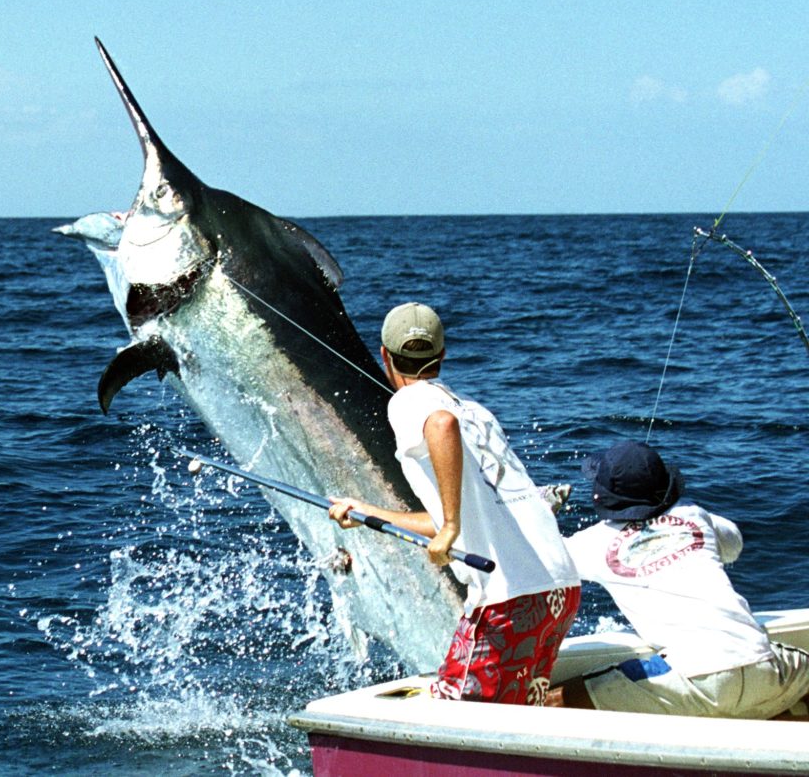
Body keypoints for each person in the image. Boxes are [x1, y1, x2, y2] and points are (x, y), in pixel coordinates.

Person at [328, 302, 580, 705]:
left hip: (508, 596)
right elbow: (458, 511)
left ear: (385, 357)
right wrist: (370, 514)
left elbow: (440, 427)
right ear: (442, 355)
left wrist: (450, 529)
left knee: (453, 714)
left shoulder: (411, 402)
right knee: (518, 715)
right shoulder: (477, 413)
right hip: (559, 590)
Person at [545, 440, 809, 719]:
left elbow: (540, 560)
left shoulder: (589, 544)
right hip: (762, 664)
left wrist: (541, 514)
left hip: (690, 676)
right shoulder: (693, 513)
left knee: (556, 702)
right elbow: (734, 544)